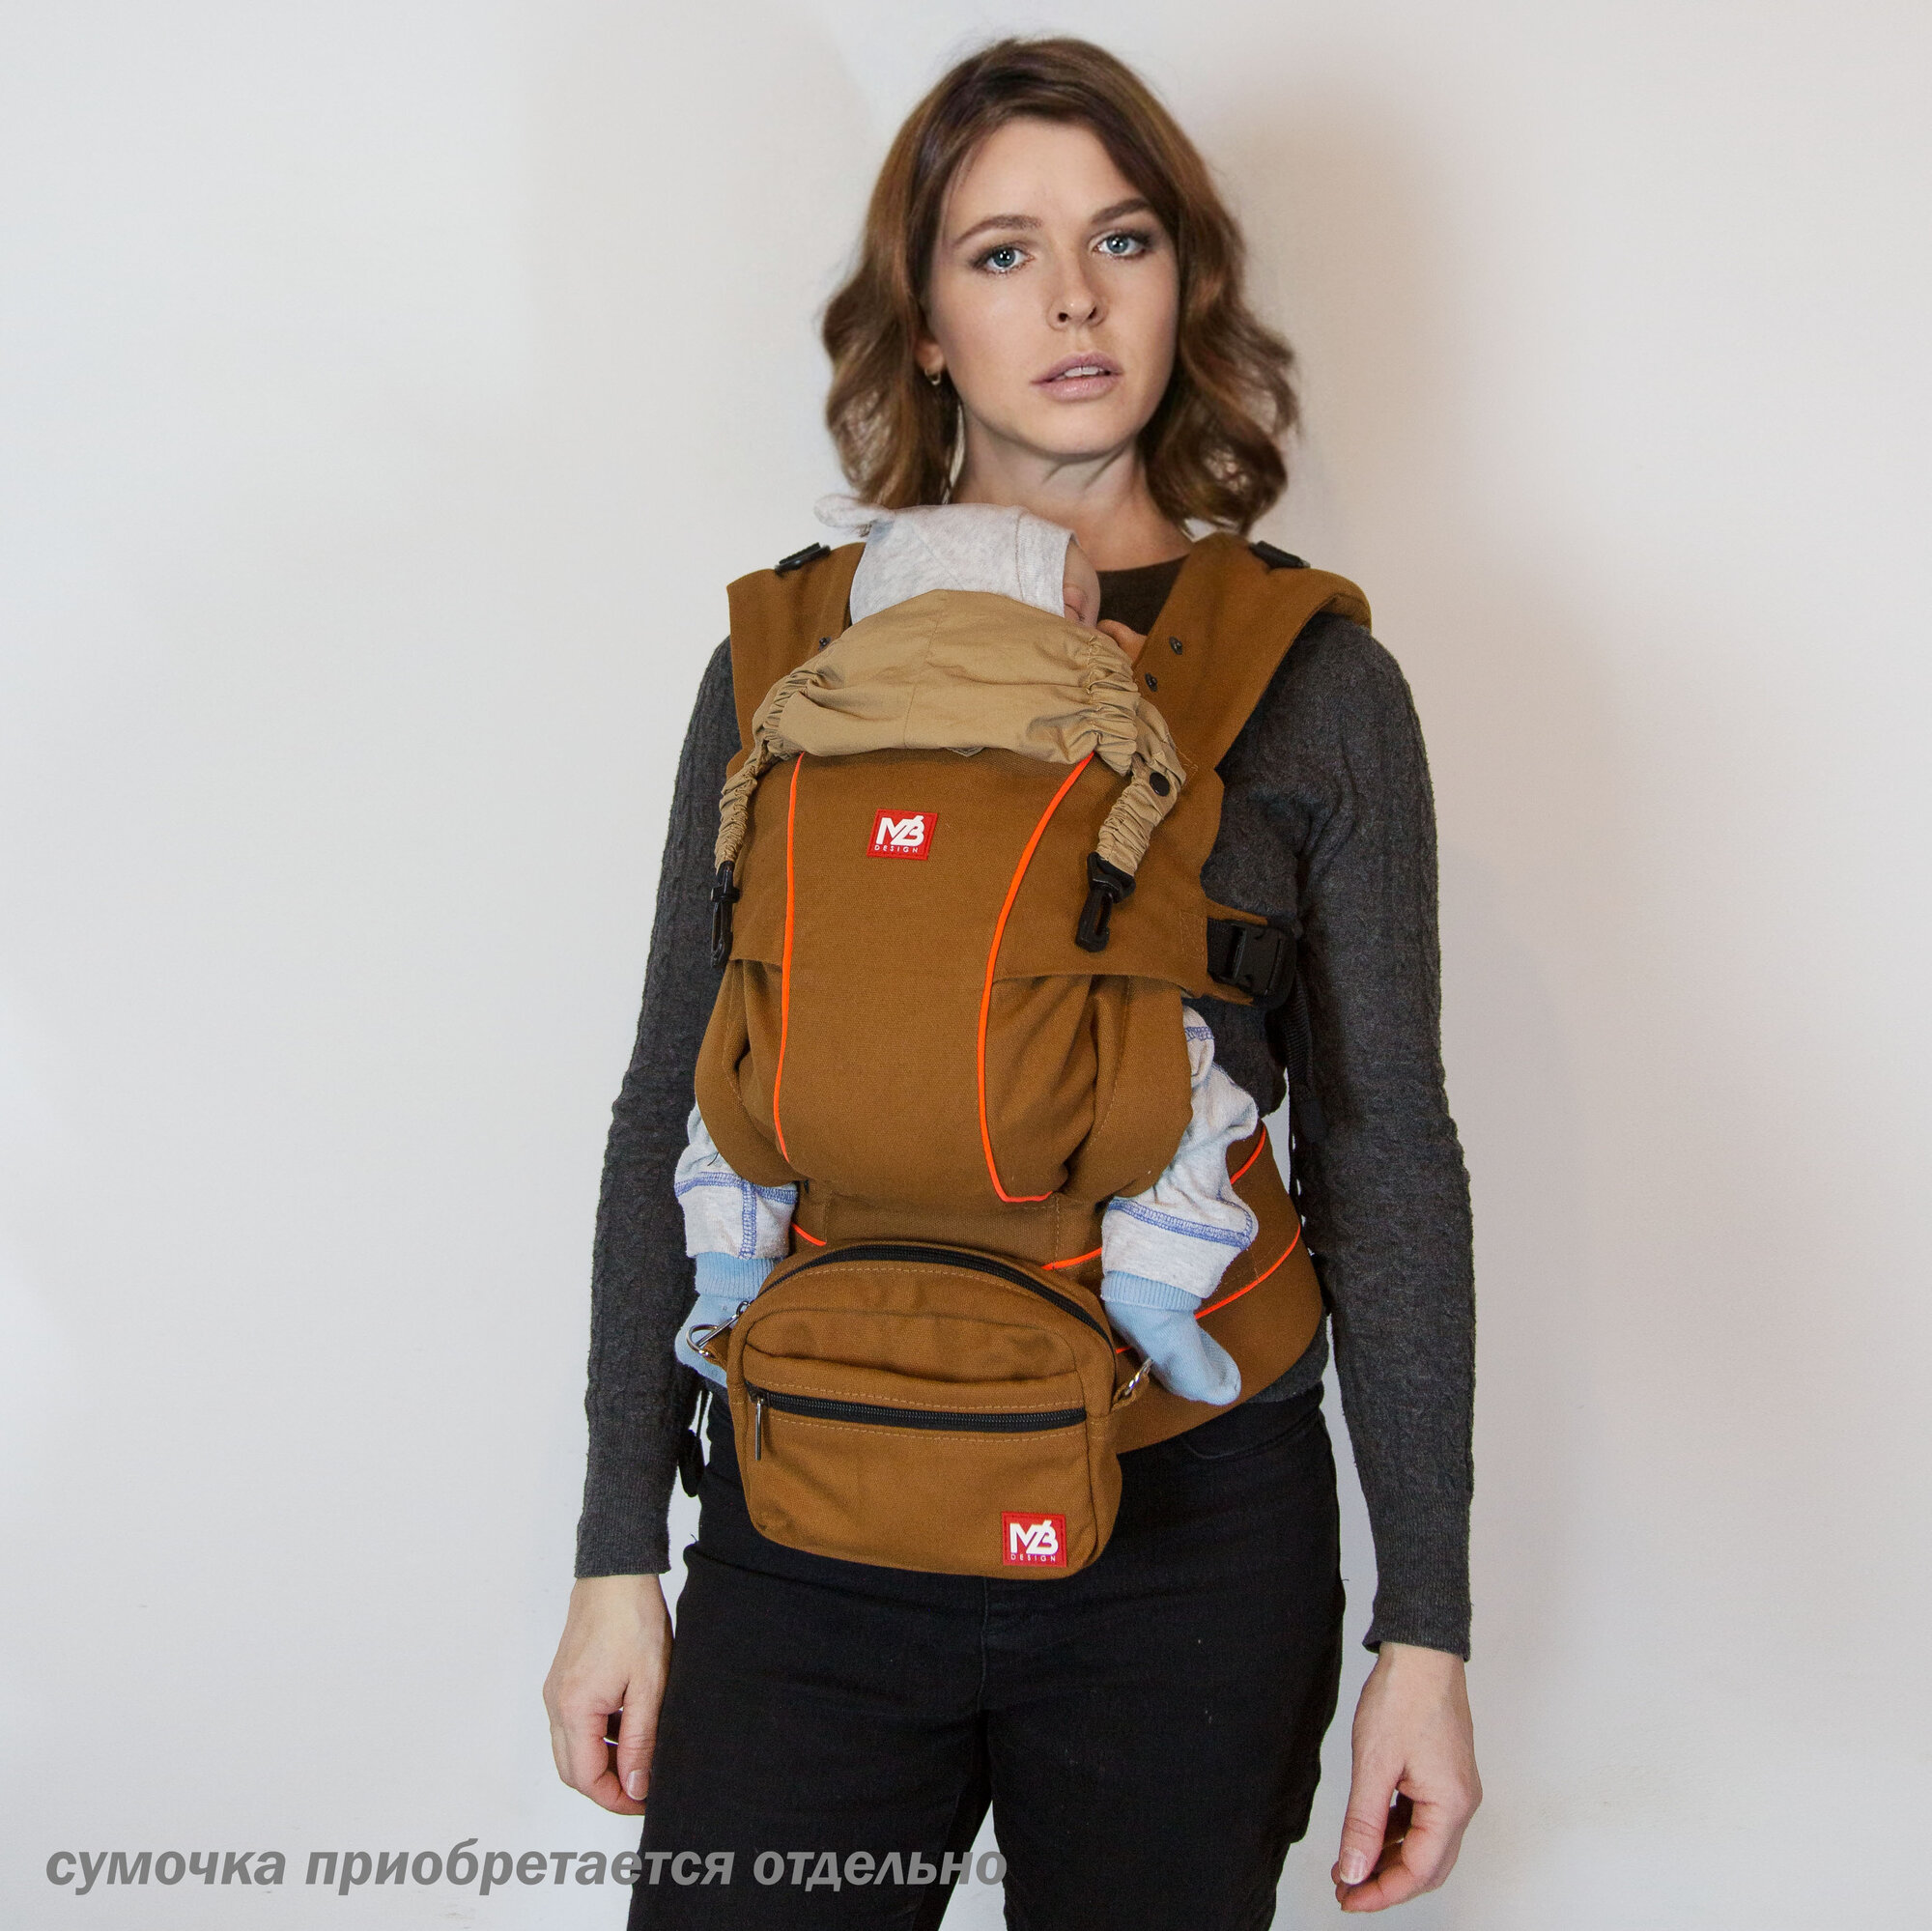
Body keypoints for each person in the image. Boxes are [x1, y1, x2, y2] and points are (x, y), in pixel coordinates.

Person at [544, 35, 1480, 1927]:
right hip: (809, 1526)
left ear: (1185, 284)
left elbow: (1386, 1150)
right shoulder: (786, 663)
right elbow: (672, 1097)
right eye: (1002, 250)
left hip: (1186, 1543)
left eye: (1122, 239)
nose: (1073, 298)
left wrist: (1429, 1632)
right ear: (922, 324)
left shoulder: (1311, 683)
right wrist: (615, 1552)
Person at [672, 494, 1269, 1408]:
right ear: (1060, 612)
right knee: (1195, 1093)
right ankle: (1154, 1282)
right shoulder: (1098, 708)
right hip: (1054, 1111)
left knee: (727, 1095)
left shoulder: (796, 704)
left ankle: (727, 1282)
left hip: (807, 1099)